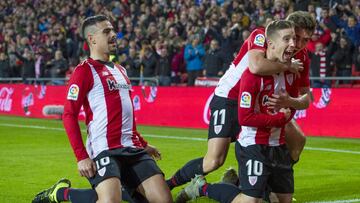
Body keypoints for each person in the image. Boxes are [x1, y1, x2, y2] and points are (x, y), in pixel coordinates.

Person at [167, 11, 315, 193]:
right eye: (296, 37)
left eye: (305, 40)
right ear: (287, 30)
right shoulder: (262, 35)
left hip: (263, 103)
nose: (298, 45)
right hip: (231, 97)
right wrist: (288, 66)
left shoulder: (302, 57)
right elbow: (256, 65)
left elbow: (307, 98)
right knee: (214, 160)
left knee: (298, 140)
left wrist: (290, 101)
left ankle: (267, 187)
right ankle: (169, 185)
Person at [32, 15, 172, 203]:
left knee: (164, 200)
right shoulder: (84, 71)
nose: (114, 34)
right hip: (104, 149)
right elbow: (69, 114)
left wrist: (143, 144)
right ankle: (60, 194)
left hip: (132, 148)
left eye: (113, 30)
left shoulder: (121, 70)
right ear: (92, 39)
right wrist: (81, 156)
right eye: (107, 31)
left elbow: (126, 116)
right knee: (109, 201)